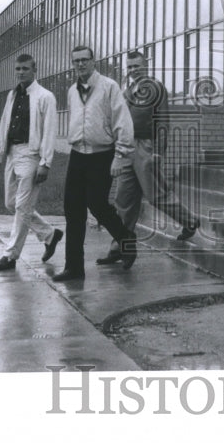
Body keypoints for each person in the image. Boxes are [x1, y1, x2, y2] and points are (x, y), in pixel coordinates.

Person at [97, 50, 200, 266]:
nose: (133, 70)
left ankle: (190, 221)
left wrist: (158, 151)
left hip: (146, 146)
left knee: (156, 196)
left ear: (146, 66)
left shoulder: (156, 88)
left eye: (137, 66)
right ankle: (119, 246)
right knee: (124, 200)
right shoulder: (127, 91)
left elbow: (162, 120)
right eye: (130, 67)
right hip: (127, 146)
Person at [53, 45, 136, 282]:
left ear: (93, 61)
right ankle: (74, 268)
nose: (80, 64)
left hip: (103, 154)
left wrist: (120, 156)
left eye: (84, 60)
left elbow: (123, 122)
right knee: (73, 210)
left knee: (98, 205)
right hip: (78, 154)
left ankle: (126, 241)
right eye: (76, 61)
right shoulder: (71, 91)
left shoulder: (109, 87)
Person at [0, 54, 63, 271]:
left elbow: (50, 131)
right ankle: (49, 234)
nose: (20, 72)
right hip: (12, 153)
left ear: (34, 69)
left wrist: (45, 162)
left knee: (22, 206)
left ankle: (10, 255)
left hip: (31, 155)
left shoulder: (45, 96)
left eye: (25, 68)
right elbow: (4, 125)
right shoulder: (12, 95)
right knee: (11, 204)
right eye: (18, 69)